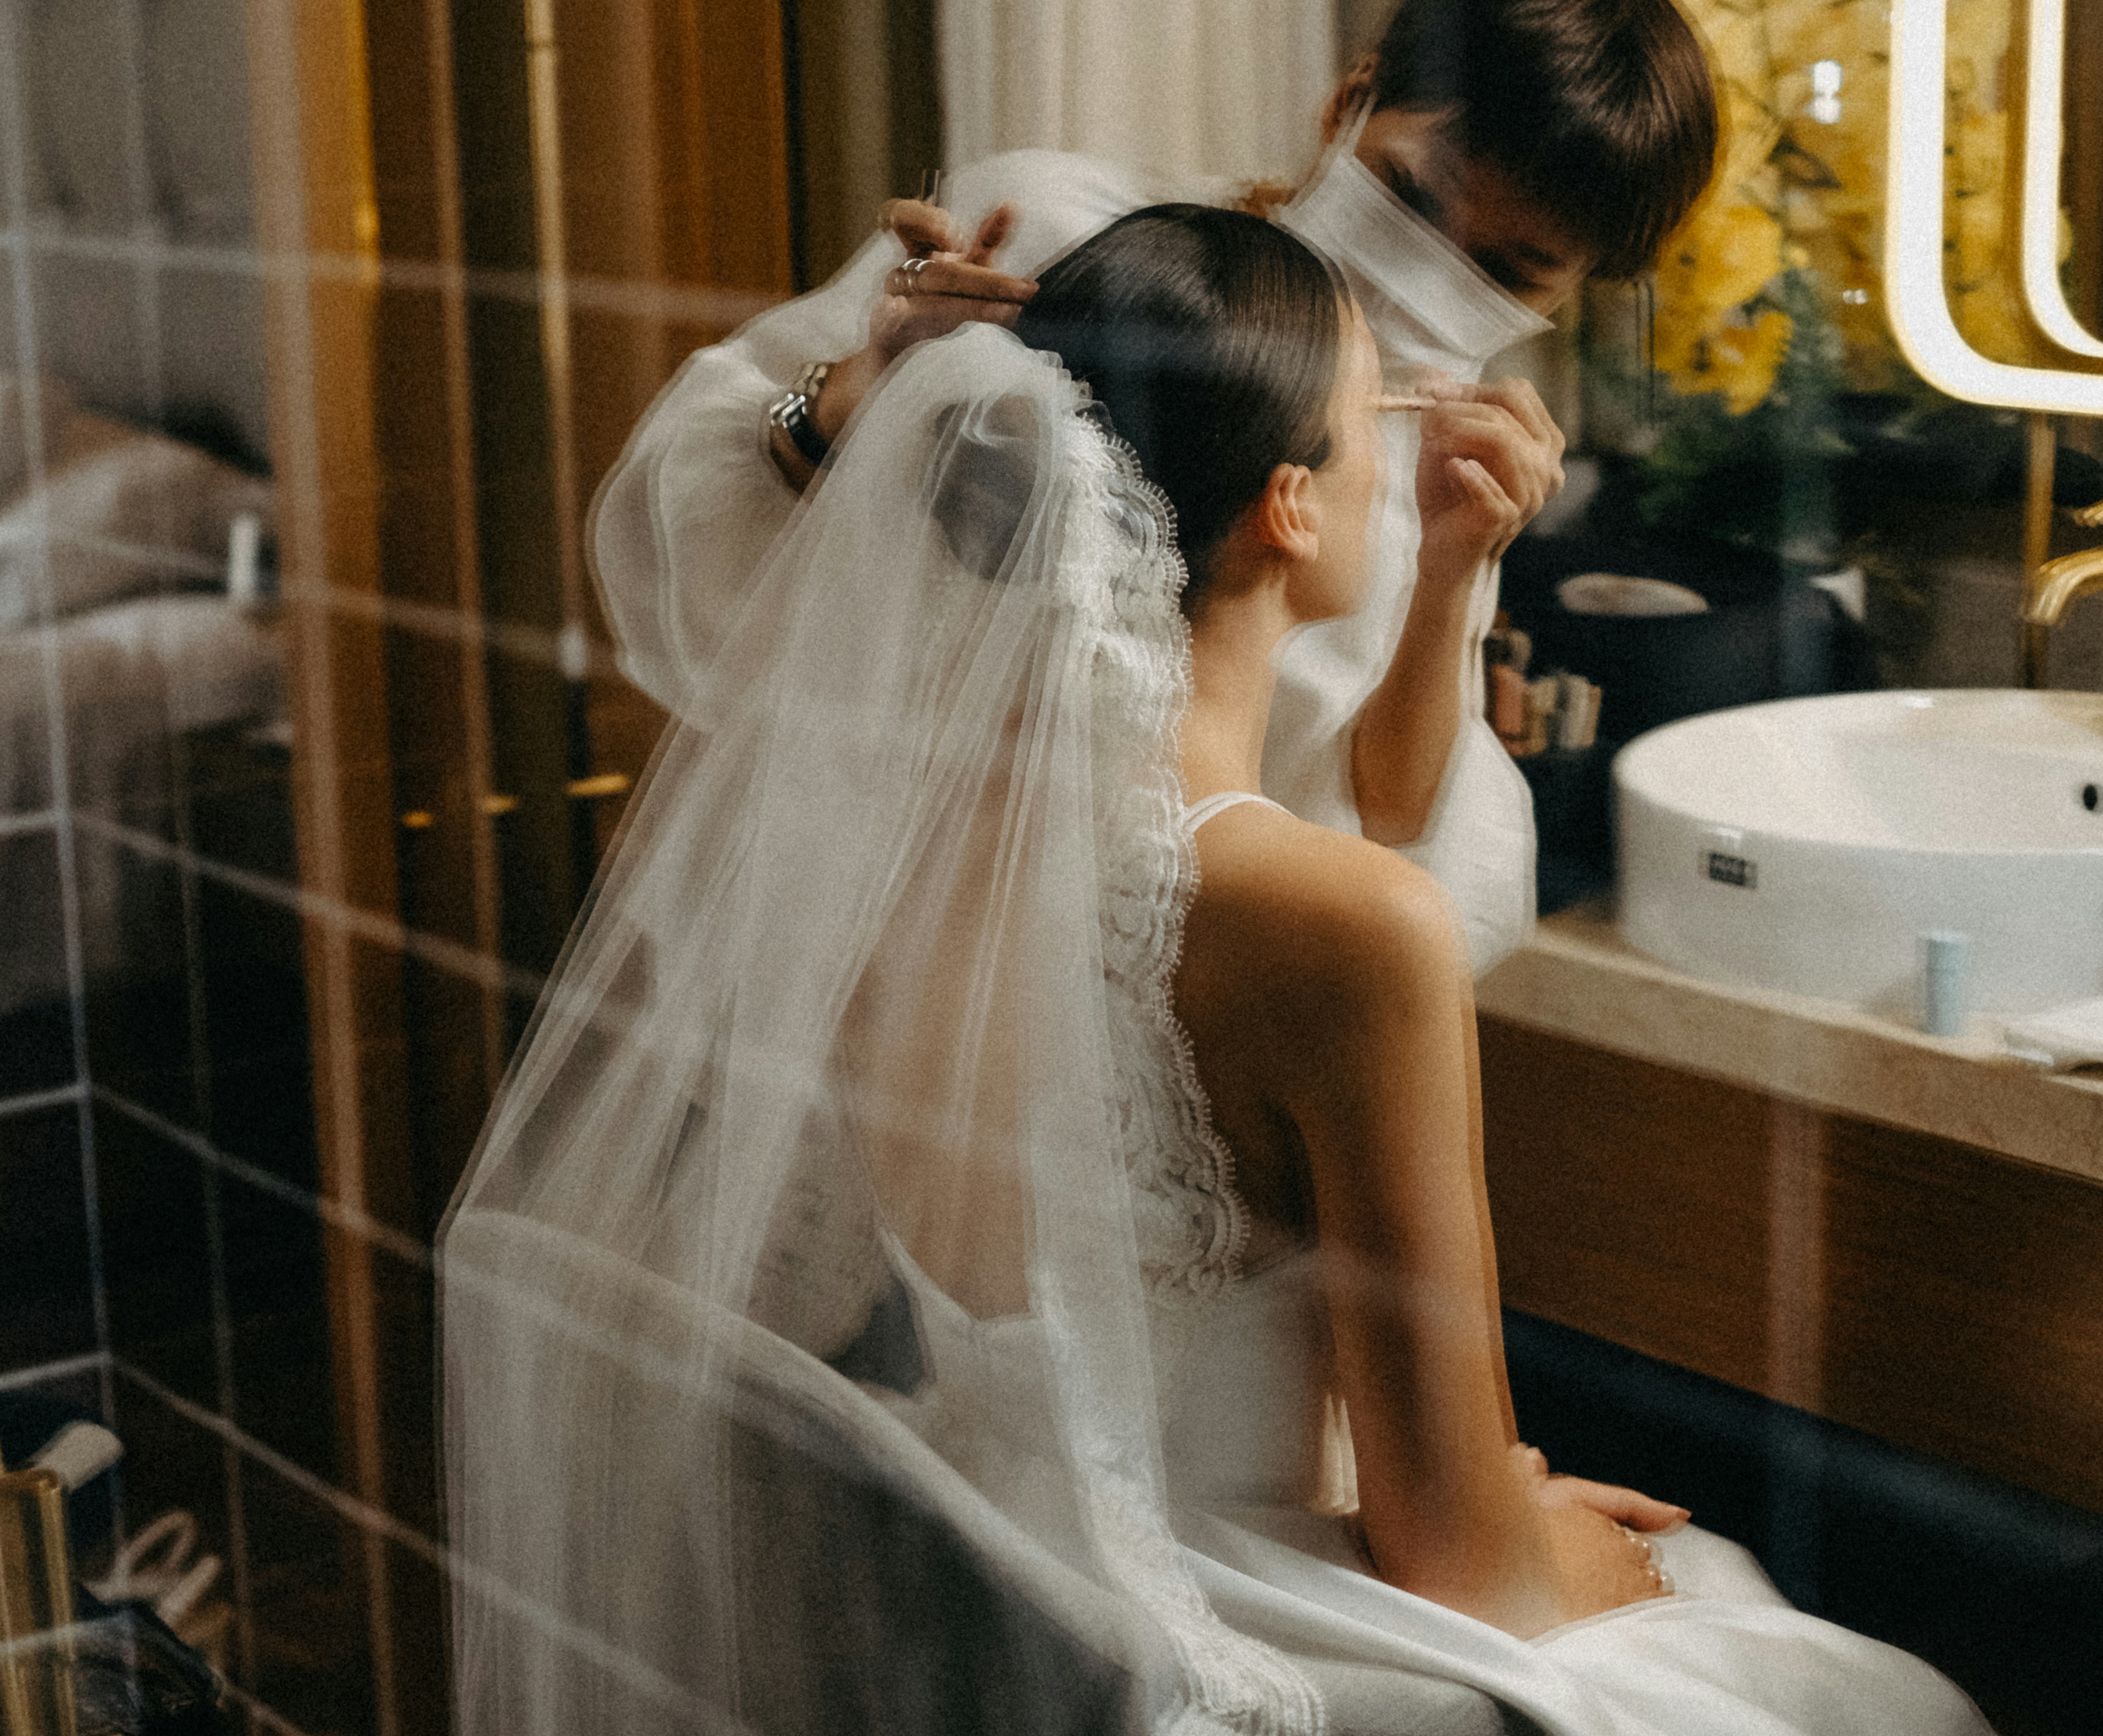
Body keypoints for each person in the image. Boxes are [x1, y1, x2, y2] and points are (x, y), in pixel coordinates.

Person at [443, 205, 1993, 1733]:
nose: (1398, 452)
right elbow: (1466, 1570)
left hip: (1011, 1604)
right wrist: (1558, 1541)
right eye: (1374, 419)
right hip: (1202, 1630)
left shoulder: (893, 853)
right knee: (1863, 1684)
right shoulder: (1347, 928)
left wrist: (1454, 577)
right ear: (1293, 506)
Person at [588, 0, 1717, 973]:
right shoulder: (1058, 240)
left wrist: (1456, 567)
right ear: (1348, 102)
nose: (1428, 266)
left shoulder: (1444, 464)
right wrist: (862, 392)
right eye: (1411, 194)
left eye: (1509, 271)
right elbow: (680, 531)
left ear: (1571, 292)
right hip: (857, 932)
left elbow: (1389, 817)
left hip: (1148, 989)